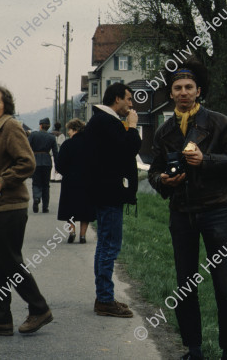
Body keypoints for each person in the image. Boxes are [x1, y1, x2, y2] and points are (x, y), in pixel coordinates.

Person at [148, 60, 227, 360]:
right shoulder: (164, 132)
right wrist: (163, 179)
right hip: (182, 213)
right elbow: (153, 172)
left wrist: (206, 160)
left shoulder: (219, 123)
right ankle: (194, 349)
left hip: (216, 211)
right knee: (185, 285)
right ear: (170, 93)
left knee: (226, 285)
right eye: (177, 88)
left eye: (188, 87)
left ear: (198, 91)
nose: (183, 93)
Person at [0, 85, 53, 336]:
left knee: (10, 262)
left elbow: (27, 162)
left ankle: (39, 308)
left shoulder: (10, 127)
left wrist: (2, 181)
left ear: (6, 105)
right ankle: (0, 319)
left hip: (8, 207)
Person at [84, 82, 139, 318]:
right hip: (109, 193)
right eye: (128, 99)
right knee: (110, 246)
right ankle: (105, 300)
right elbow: (128, 149)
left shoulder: (100, 120)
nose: (131, 103)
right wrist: (133, 126)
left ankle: (104, 296)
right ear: (116, 99)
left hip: (103, 191)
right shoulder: (108, 122)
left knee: (104, 245)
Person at [56, 118, 95, 244]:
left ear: (75, 129)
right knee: (86, 209)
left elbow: (59, 164)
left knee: (70, 207)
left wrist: (67, 173)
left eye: (69, 130)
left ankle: (72, 231)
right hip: (88, 180)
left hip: (70, 181)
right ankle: (83, 236)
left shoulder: (67, 145)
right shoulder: (91, 144)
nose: (68, 132)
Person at [28, 117, 58, 213]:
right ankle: (45, 207)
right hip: (47, 162)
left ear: (40, 125)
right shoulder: (51, 137)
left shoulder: (33, 135)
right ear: (48, 127)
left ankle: (36, 198)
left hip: (35, 161)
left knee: (36, 182)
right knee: (46, 184)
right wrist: (57, 166)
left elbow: (26, 147)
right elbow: (55, 152)